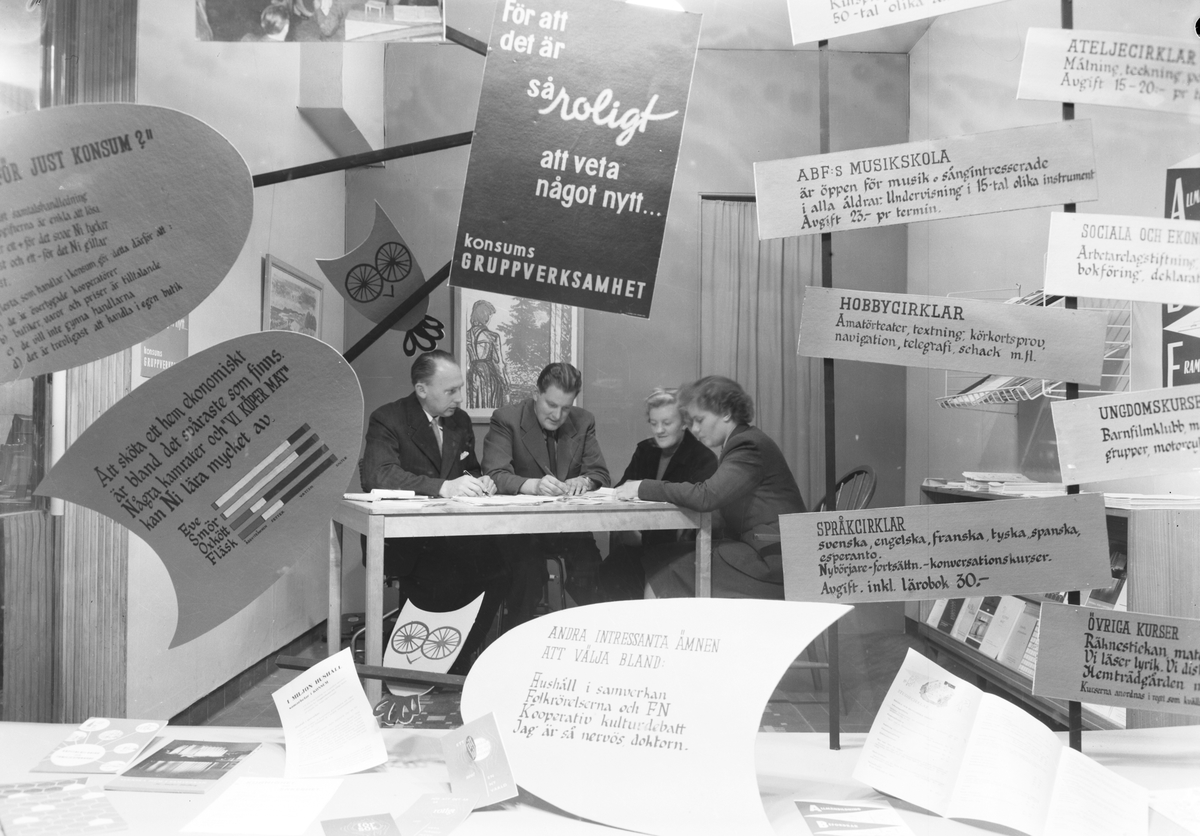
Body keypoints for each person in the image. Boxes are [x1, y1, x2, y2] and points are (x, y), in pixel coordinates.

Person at [360, 350, 507, 674]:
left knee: (504, 566)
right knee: (446, 575)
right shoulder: (388, 419)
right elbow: (378, 475)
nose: (460, 397)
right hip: (408, 540)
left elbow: (468, 469)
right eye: (451, 390)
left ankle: (457, 661)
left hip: (452, 535)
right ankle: (429, 668)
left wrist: (480, 480)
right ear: (422, 389)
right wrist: (444, 487)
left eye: (460, 388)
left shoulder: (459, 421)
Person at [615, 376, 806, 599]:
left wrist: (642, 487)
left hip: (775, 560)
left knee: (665, 570)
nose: (695, 429)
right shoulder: (741, 442)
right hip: (762, 549)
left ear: (726, 412)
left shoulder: (747, 445)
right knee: (660, 557)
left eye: (700, 420)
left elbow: (706, 496)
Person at [483, 362, 611, 619]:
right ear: (535, 394)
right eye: (551, 405)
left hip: (567, 529)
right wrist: (534, 485)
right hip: (520, 531)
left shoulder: (583, 421)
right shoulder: (506, 419)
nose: (557, 415)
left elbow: (600, 474)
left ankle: (595, 633)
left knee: (591, 572)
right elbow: (495, 473)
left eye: (566, 408)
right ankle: (520, 635)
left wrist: (584, 482)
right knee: (527, 576)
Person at [599, 388, 718, 601]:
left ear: (684, 423)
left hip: (682, 550)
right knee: (607, 573)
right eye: (654, 423)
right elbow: (621, 490)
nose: (659, 430)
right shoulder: (645, 450)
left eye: (667, 423)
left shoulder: (703, 459)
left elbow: (697, 510)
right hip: (643, 545)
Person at [466, 300, 509, 410]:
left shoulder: (466, 336)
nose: (490, 318)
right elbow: (498, 364)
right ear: (484, 316)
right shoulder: (493, 336)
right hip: (488, 375)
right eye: (489, 315)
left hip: (472, 375)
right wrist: (505, 383)